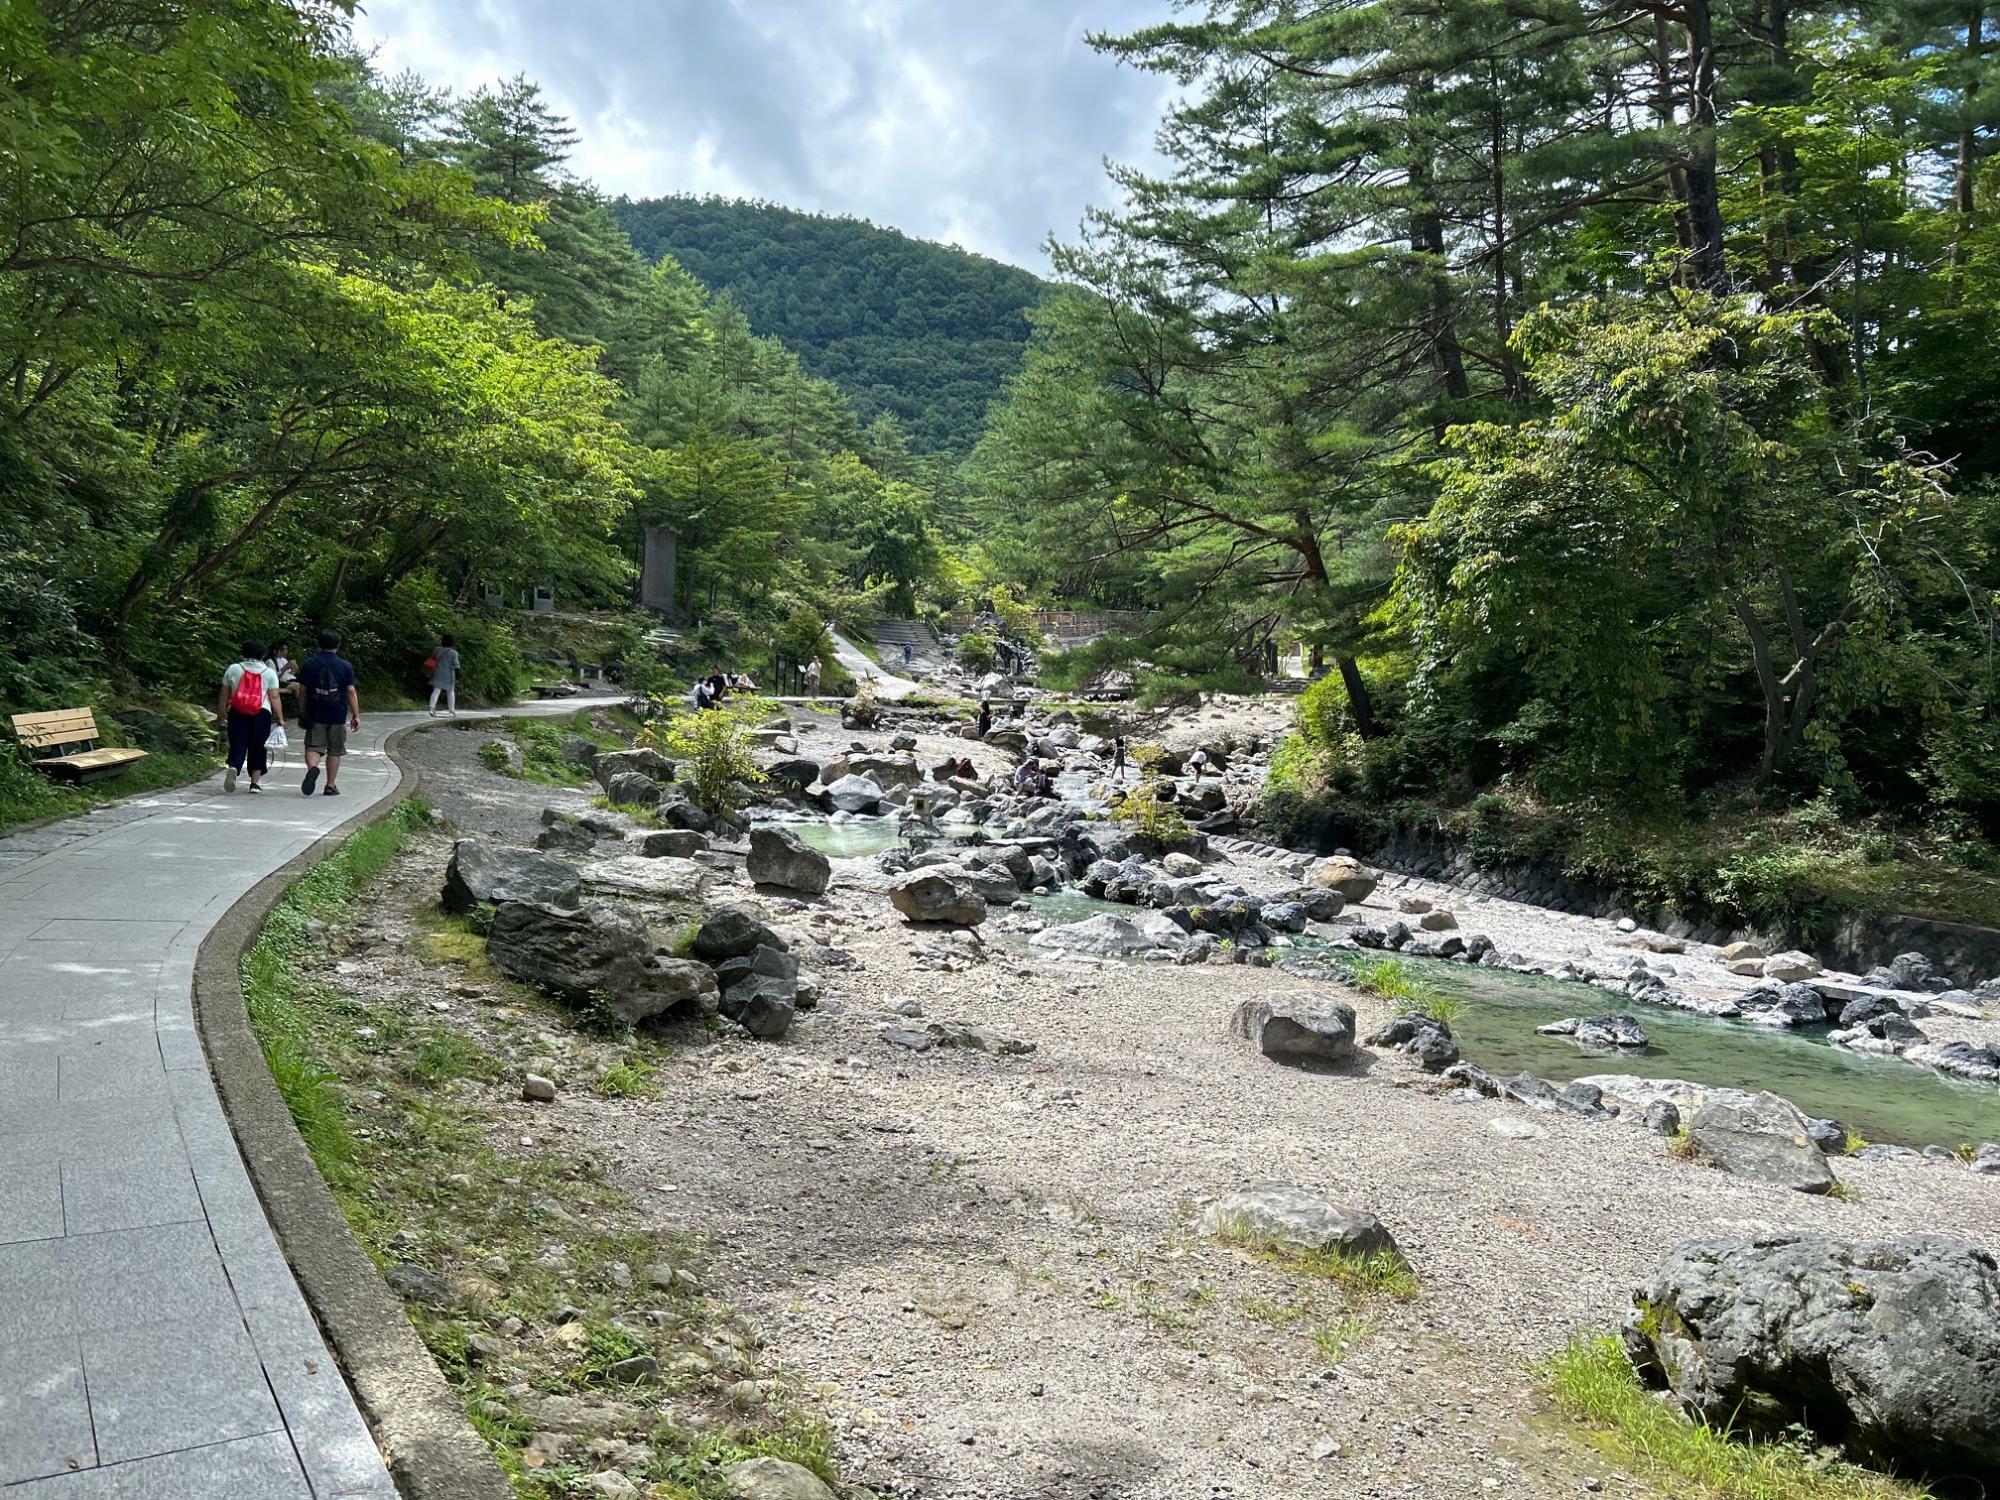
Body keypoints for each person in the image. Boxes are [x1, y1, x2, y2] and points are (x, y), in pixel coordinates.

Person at [298, 628, 360, 797]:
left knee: (313, 746)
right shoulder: (345, 666)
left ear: (319, 644)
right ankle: (330, 785)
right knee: (335, 750)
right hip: (337, 714)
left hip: (314, 712)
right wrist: (356, 714)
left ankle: (313, 768)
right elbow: (350, 691)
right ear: (338, 645)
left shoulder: (309, 664)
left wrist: (302, 710)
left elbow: (302, 691)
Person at [217, 640, 282, 793]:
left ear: (243, 652)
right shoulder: (269, 672)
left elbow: (224, 693)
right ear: (263, 655)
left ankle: (234, 766)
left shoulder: (233, 669)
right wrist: (280, 717)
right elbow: (274, 697)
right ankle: (254, 784)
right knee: (259, 747)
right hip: (262, 713)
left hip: (237, 711)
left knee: (238, 743)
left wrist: (221, 711)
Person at [427, 633, 460, 717]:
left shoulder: (437, 649)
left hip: (437, 672)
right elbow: (456, 665)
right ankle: (451, 711)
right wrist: (458, 676)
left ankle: (431, 708)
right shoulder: (454, 653)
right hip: (449, 674)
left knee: (436, 690)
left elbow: (432, 658)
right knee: (450, 691)